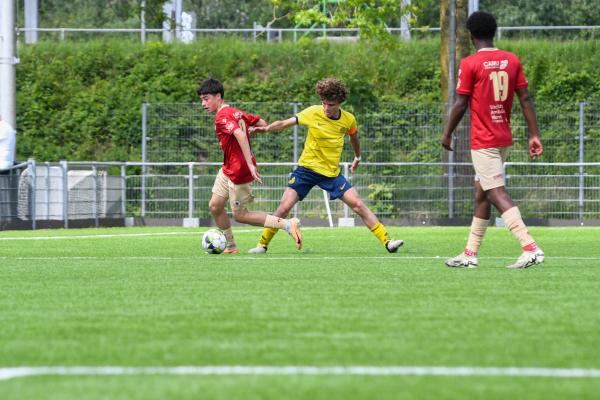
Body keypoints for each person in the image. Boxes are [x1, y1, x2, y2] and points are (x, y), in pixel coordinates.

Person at [248, 78, 404, 254]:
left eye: (330, 104)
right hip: (306, 170)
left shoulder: (348, 120)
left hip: (331, 174)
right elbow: (284, 123)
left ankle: (388, 242)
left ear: (339, 103)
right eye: (323, 103)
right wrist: (266, 129)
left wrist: (358, 157)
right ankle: (262, 245)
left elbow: (354, 138)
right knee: (283, 208)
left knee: (358, 204)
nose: (326, 108)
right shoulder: (313, 112)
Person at [440, 11, 544, 269]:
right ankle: (470, 254)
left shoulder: (470, 63)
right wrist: (533, 134)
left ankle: (530, 247)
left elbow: (461, 103)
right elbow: (526, 99)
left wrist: (447, 132)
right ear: (493, 32)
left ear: (471, 34)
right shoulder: (511, 60)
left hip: (483, 140)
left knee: (495, 192)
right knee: (482, 195)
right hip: (502, 138)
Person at [198, 78, 302, 253]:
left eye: (206, 98)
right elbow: (260, 122)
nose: (203, 103)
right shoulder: (235, 112)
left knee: (240, 215)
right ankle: (230, 246)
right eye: (201, 99)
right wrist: (258, 130)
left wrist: (249, 163)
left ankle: (286, 224)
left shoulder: (223, 116)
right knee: (215, 205)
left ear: (218, 96)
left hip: (239, 171)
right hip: (227, 169)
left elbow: (240, 135)